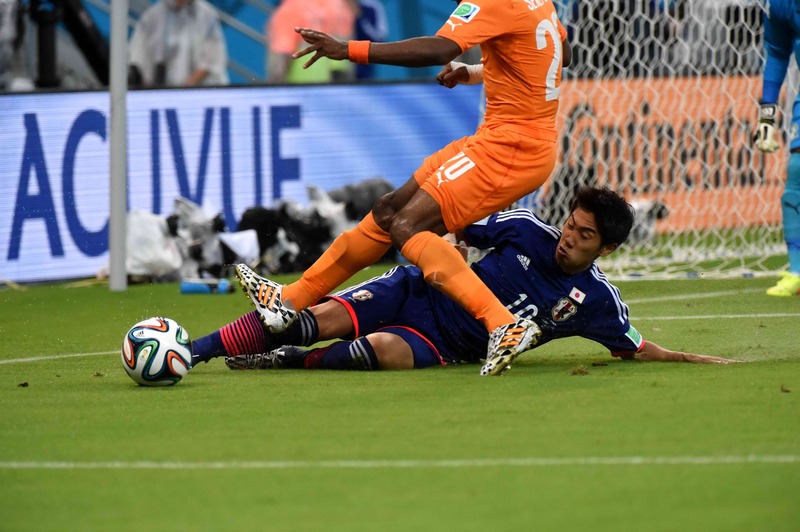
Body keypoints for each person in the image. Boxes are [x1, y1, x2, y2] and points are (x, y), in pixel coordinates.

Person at [233, 0, 572, 377]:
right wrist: (475, 72)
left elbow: (438, 48)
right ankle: (289, 300)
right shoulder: (539, 2)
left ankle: (502, 323)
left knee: (410, 228)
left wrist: (348, 49)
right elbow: (560, 54)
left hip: (511, 148)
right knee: (389, 211)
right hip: (503, 139)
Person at [193, 187, 737, 376]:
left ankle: (286, 361)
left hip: (443, 344)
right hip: (416, 290)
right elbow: (452, 219)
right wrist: (446, 249)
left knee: (373, 351)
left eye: (584, 235)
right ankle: (194, 350)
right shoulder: (525, 229)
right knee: (309, 321)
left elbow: (634, 347)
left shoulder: (594, 301)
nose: (568, 237)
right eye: (571, 224)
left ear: (607, 249)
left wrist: (697, 361)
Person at [755, 0, 800, 297]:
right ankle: (797, 271)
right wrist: (766, 118)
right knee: (796, 176)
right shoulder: (775, 5)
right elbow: (777, 53)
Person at [128, 0, 229, 88]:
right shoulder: (151, 16)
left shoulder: (207, 14)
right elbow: (138, 58)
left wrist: (185, 90)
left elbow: (211, 60)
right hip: (163, 94)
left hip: (200, 92)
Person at [265, 0, 356, 84]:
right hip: (342, 79)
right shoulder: (341, 6)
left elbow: (282, 57)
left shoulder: (291, 8)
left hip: (304, 86)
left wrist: (275, 91)